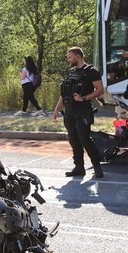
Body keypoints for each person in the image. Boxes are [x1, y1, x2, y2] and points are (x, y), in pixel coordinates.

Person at [52, 47, 105, 179]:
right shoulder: (70, 72)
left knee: (85, 139)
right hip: (70, 111)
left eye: (70, 57)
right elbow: (64, 93)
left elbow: (100, 90)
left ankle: (97, 167)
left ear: (78, 56)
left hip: (83, 110)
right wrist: (57, 109)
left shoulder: (91, 71)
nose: (68, 59)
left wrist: (84, 98)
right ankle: (79, 167)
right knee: (73, 140)